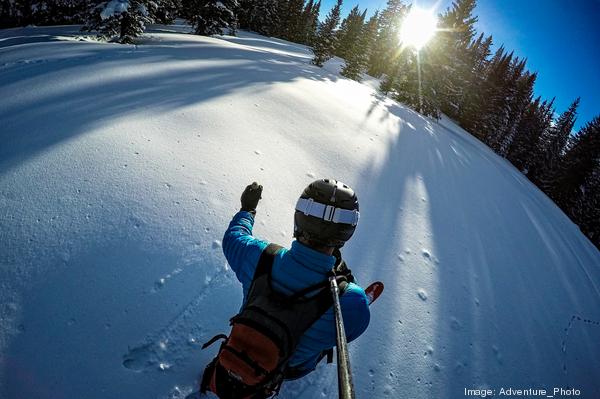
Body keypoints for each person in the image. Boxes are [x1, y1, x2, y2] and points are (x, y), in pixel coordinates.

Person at [221, 178, 370, 379]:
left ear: (299, 217)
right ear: (346, 233)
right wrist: (346, 285)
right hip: (290, 370)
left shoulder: (258, 256)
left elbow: (234, 236)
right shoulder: (353, 302)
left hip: (240, 347)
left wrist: (247, 209)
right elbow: (346, 336)